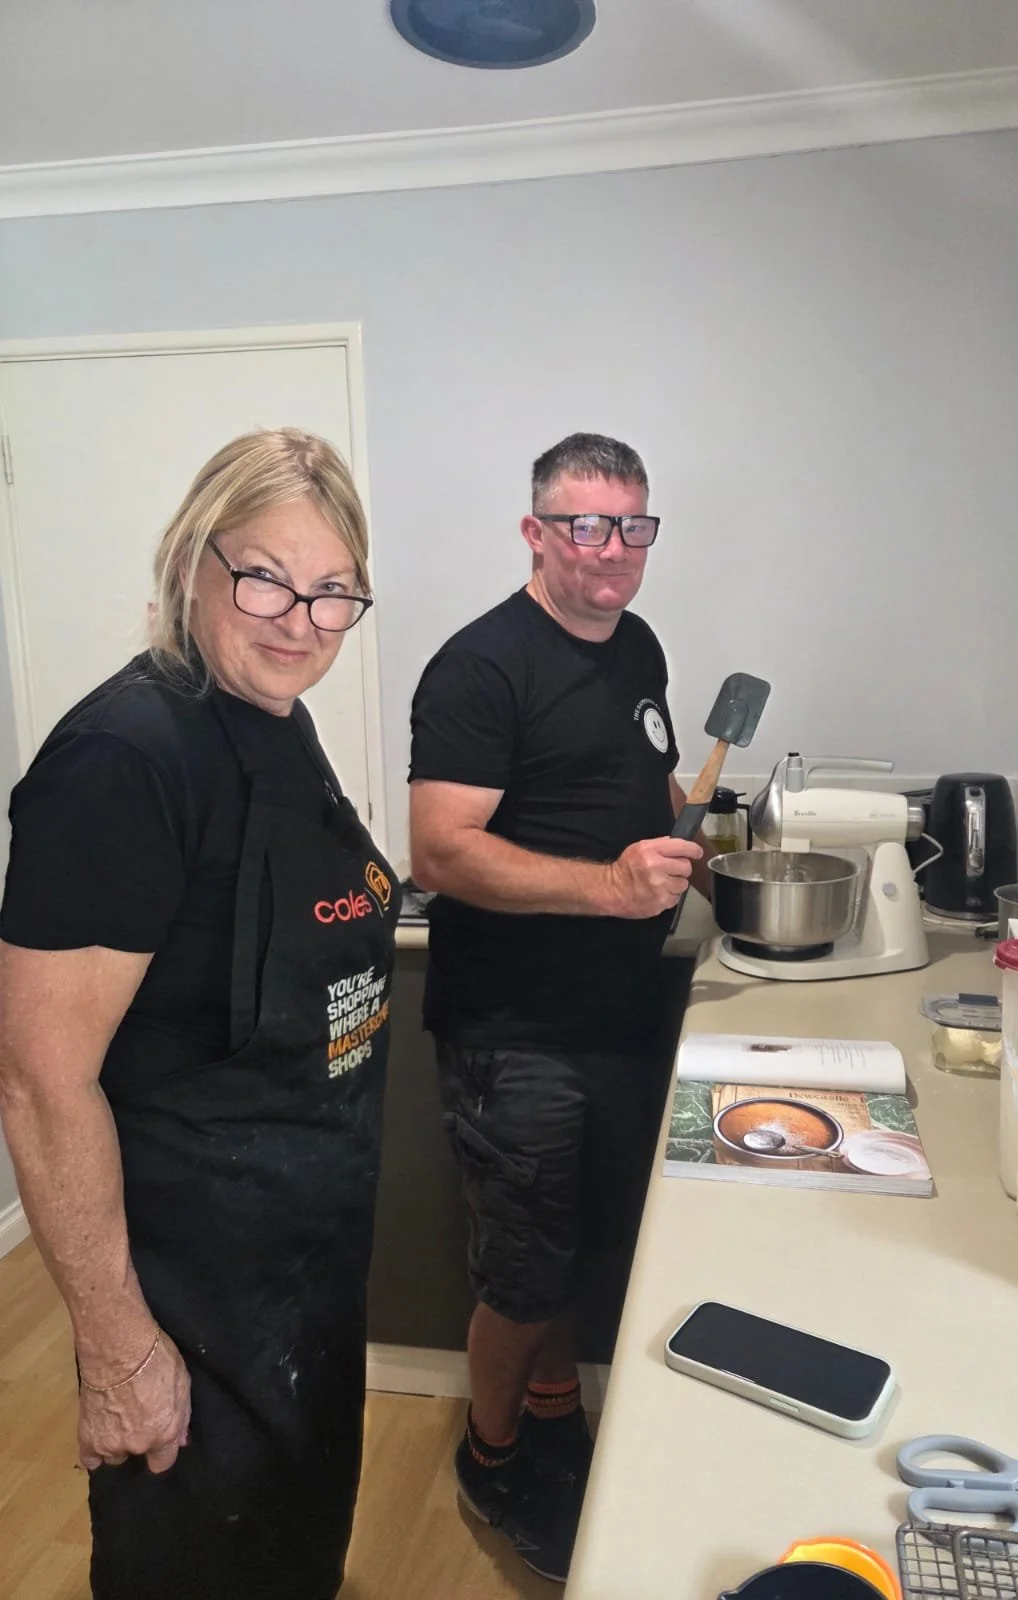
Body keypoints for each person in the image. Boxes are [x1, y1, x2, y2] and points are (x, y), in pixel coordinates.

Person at [0, 429, 398, 1600]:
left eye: (333, 593)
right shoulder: (125, 760)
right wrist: (121, 1350)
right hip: (189, 1303)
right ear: (192, 562)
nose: (299, 620)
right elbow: (36, 1076)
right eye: (266, 576)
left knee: (291, 1562)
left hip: (301, 1284)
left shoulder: (277, 720)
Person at [408, 432, 707, 1582]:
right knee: (522, 1269)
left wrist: (692, 832)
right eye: (585, 524)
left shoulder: (637, 644)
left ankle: (552, 1411)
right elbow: (438, 849)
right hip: (516, 1031)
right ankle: (491, 1455)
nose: (613, 549)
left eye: (632, 524)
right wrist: (611, 888)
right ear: (536, 532)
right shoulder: (481, 668)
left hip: (621, 1015)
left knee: (585, 1242)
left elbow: (644, 778)